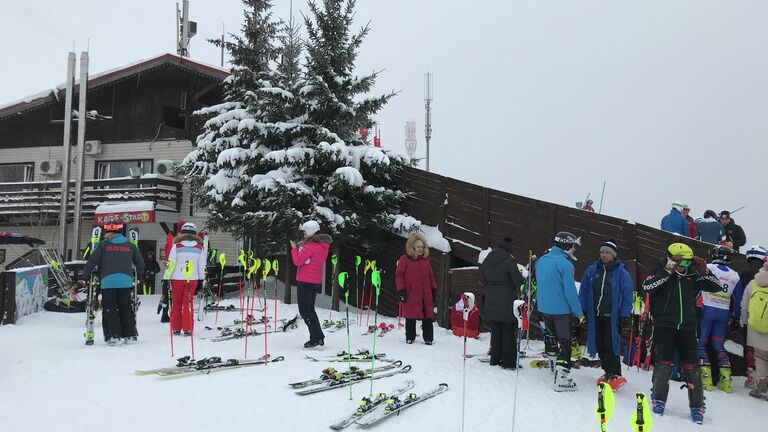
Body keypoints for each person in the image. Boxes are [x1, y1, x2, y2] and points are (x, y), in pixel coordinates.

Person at [642, 243, 721, 424]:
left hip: (687, 327)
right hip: (664, 326)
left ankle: (697, 405)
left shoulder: (692, 276)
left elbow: (716, 287)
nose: (683, 267)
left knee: (691, 366)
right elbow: (648, 287)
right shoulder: (660, 272)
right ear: (671, 259)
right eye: (680, 262)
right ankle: (659, 398)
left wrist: (704, 271)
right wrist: (668, 269)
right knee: (664, 363)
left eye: (687, 263)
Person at [578, 240, 633, 391]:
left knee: (611, 344)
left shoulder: (622, 273)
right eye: (602, 252)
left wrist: (625, 316)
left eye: (607, 252)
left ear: (613, 255)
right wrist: (582, 309)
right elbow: (583, 290)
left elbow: (628, 297)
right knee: (599, 343)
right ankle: (606, 371)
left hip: (612, 315)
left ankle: (615, 373)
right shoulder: (592, 270)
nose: (604, 255)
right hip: (595, 314)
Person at [535, 231, 584, 391]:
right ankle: (562, 378)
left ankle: (553, 367)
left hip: (544, 308)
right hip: (560, 310)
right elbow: (570, 292)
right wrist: (579, 313)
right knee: (565, 341)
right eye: (572, 246)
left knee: (550, 337)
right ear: (566, 245)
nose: (574, 250)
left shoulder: (541, 261)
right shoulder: (565, 265)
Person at [82, 223, 144, 345]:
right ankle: (130, 335)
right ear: (121, 231)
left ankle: (113, 336)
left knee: (110, 308)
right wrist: (140, 275)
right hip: (126, 281)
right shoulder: (129, 245)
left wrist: (85, 276)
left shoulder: (103, 245)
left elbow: (92, 261)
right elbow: (140, 262)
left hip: (107, 281)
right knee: (126, 307)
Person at [698, 245, 740, 393]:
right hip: (724, 312)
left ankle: (706, 380)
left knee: (702, 344)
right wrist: (736, 317)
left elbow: (698, 288)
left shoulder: (707, 267)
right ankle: (726, 380)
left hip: (707, 308)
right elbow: (737, 298)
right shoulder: (735, 275)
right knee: (718, 345)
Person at [479, 237, 525, 368]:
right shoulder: (509, 260)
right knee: (508, 330)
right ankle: (508, 362)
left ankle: (495, 359)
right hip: (507, 298)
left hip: (491, 297)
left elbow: (482, 279)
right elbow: (518, 281)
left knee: (496, 329)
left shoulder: (487, 259)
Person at [290, 220, 332, 348]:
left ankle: (316, 338)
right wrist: (302, 247)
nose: (303, 233)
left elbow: (297, 261)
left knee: (305, 312)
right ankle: (318, 337)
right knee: (310, 310)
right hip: (315, 281)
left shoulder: (311, 246)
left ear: (311, 231)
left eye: (305, 231)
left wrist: (294, 249)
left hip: (305, 281)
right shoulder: (322, 245)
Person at [164, 222, 206, 336]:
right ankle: (188, 328)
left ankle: (176, 328)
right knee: (188, 302)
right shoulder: (199, 248)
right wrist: (201, 280)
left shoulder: (176, 246)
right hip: (192, 278)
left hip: (177, 278)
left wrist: (166, 277)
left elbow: (171, 263)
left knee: (176, 302)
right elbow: (201, 266)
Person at [734, 245, 768, 385]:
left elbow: (743, 303)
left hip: (753, 322)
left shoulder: (748, 277)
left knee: (756, 354)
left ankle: (754, 379)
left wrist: (744, 321)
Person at [396, 233, 437, 345]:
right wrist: (401, 291)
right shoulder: (404, 259)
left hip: (425, 294)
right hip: (411, 293)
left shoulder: (425, 261)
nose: (421, 249)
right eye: (418, 247)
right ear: (413, 248)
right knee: (410, 316)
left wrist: (434, 289)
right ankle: (410, 337)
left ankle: (428, 338)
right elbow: (399, 275)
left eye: (422, 247)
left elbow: (431, 276)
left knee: (428, 316)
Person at [740, 259, 768, 399]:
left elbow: (744, 305)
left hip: (756, 327)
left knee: (761, 358)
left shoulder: (753, 282)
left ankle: (760, 388)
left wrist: (745, 322)